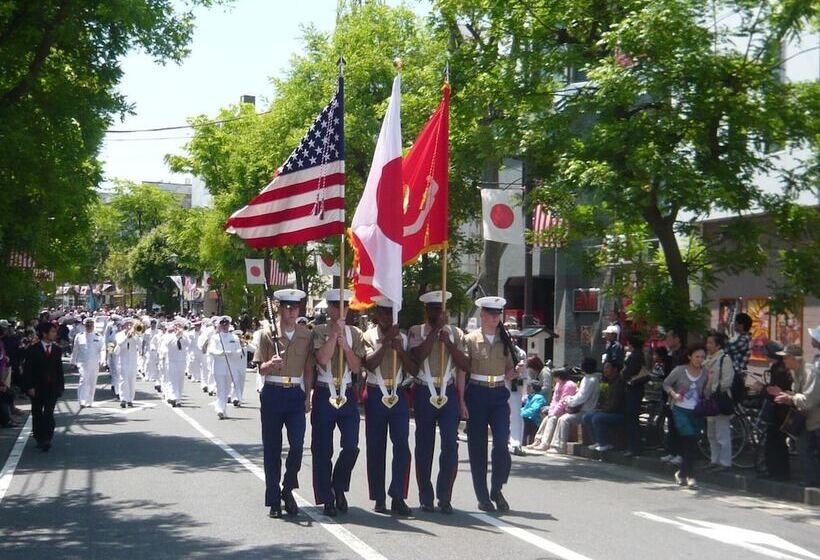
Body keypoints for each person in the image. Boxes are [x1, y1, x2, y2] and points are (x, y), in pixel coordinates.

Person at [254, 289, 314, 518]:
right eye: (287, 307)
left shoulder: (305, 335)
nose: (290, 312)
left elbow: (308, 369)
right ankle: (273, 500)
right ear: (279, 309)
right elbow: (260, 367)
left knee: (297, 446)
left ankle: (288, 489)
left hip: (295, 394)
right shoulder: (266, 334)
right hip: (272, 391)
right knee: (272, 448)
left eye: (294, 308)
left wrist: (308, 396)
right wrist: (270, 364)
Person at [458, 296, 521, 513]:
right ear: (483, 315)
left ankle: (496, 488)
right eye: (492, 313)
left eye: (498, 314)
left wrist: (516, 372)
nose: (496, 317)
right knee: (477, 448)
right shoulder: (470, 339)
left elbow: (509, 373)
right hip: (476, 392)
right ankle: (482, 496)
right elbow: (462, 370)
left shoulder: (505, 341)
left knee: (502, 444)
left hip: (498, 395)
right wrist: (461, 400)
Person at [408, 290, 464, 514]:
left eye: (440, 309)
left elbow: (465, 364)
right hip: (424, 390)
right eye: (433, 309)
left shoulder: (456, 333)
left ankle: (445, 495)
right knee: (424, 445)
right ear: (426, 311)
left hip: (448, 391)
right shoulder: (417, 331)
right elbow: (417, 357)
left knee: (451, 444)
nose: (437, 313)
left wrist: (449, 344)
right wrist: (433, 334)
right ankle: (425, 495)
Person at [311, 289, 366, 517]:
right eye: (336, 306)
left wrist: (345, 346)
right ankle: (327, 498)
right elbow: (322, 359)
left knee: (351, 445)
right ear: (330, 308)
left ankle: (339, 485)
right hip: (325, 391)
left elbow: (356, 367)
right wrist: (334, 337)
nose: (340, 310)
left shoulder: (356, 333)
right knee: (323, 449)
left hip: (346, 392)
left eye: (345, 305)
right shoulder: (319, 331)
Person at [362, 296, 416, 516]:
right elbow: (370, 364)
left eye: (392, 313)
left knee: (402, 446)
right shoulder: (368, 336)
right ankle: (379, 496)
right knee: (376, 447)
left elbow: (413, 369)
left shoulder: (403, 339)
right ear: (377, 314)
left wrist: (400, 350)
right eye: (384, 312)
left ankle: (398, 495)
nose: (387, 317)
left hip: (398, 393)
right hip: (376, 392)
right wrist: (385, 343)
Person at [768, 342, 819, 487]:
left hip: (816, 419)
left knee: (809, 450)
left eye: (786, 357)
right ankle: (811, 481)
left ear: (794, 358)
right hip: (806, 418)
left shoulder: (810, 372)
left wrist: (789, 397)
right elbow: (798, 396)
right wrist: (784, 394)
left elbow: (808, 399)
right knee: (803, 448)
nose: (783, 360)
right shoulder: (795, 372)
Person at [663, 344, 710, 488]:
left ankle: (682, 473)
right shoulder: (680, 370)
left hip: (696, 411)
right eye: (697, 356)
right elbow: (666, 384)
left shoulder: (705, 372)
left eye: (702, 357)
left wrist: (711, 380)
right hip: (680, 410)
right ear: (690, 356)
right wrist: (674, 394)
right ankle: (691, 476)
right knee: (689, 439)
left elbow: (706, 394)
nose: (699, 360)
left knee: (692, 443)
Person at [22, 322, 65, 451]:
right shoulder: (33, 349)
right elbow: (27, 370)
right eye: (52, 332)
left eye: (54, 332)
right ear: (44, 334)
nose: (54, 334)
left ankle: (47, 438)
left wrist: (61, 386)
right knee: (37, 412)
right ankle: (38, 436)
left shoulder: (57, 349)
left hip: (52, 386)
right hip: (37, 387)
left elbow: (59, 370)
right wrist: (29, 387)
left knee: (48, 413)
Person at [552, 358, 601, 454]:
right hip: (584, 410)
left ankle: (560, 446)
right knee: (563, 418)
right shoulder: (590, 378)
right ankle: (557, 444)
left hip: (586, 411)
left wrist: (569, 401)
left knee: (564, 419)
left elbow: (581, 397)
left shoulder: (590, 380)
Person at [525, 366, 577, 452]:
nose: (554, 379)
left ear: (560, 376)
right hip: (557, 409)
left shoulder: (569, 385)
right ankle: (538, 440)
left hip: (566, 410)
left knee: (552, 419)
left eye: (555, 376)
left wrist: (555, 412)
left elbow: (563, 401)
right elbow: (554, 400)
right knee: (546, 418)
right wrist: (551, 411)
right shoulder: (558, 384)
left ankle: (545, 443)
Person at [704, 331, 735, 472]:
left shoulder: (724, 359)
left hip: (719, 399)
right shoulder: (708, 359)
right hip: (709, 399)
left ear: (717, 345)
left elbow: (727, 380)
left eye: (710, 343)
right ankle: (714, 460)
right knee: (711, 433)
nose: (707, 345)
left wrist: (714, 389)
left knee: (722, 432)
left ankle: (725, 462)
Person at [761, 341, 791, 480]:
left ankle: (775, 471)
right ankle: (781, 472)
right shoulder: (782, 368)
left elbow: (774, 391)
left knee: (774, 441)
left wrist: (762, 389)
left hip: (778, 410)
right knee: (779, 442)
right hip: (783, 409)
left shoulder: (778, 370)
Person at [583, 361, 627, 452]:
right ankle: (597, 441)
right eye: (604, 368)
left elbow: (615, 404)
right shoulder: (611, 382)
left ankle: (605, 443)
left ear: (615, 369)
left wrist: (602, 410)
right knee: (587, 416)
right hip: (610, 411)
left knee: (597, 418)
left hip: (620, 413)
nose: (605, 370)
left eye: (607, 368)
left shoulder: (619, 383)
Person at [207, 317, 244, 420]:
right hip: (219, 366)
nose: (224, 326)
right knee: (220, 388)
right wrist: (221, 353)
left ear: (229, 325)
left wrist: (233, 353)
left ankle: (223, 409)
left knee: (227, 388)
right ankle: (219, 408)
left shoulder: (234, 337)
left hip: (231, 367)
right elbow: (211, 350)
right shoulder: (215, 338)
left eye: (226, 324)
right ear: (219, 325)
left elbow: (239, 351)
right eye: (222, 324)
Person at [660, 328, 687, 465]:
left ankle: (681, 454)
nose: (667, 340)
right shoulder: (670, 354)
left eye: (669, 337)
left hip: (679, 393)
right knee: (671, 423)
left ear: (677, 339)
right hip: (670, 392)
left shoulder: (683, 355)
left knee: (679, 424)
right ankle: (672, 451)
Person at [623, 333, 649, 456]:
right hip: (638, 388)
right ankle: (634, 446)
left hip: (633, 387)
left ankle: (633, 447)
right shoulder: (642, 355)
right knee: (634, 418)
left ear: (630, 344)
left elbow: (627, 373)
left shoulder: (634, 356)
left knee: (632, 418)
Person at [71, 317, 104, 408]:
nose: (89, 326)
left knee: (92, 382)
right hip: (82, 362)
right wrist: (73, 361)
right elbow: (75, 349)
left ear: (93, 326)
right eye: (87, 325)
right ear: (84, 326)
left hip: (94, 362)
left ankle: (89, 401)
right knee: (83, 379)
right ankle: (82, 400)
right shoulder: (79, 336)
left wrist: (102, 360)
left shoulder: (98, 336)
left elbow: (102, 349)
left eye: (91, 325)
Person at [114, 318, 141, 408]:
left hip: (133, 361)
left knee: (132, 380)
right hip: (122, 360)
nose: (129, 326)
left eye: (130, 324)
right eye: (127, 324)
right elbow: (120, 344)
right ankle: (123, 399)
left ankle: (130, 399)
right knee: (123, 380)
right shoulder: (119, 335)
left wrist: (134, 335)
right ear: (123, 326)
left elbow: (139, 344)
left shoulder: (135, 335)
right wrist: (127, 337)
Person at [163, 320, 188, 407]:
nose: (178, 327)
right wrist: (176, 336)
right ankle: (173, 397)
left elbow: (188, 344)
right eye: (176, 326)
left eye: (179, 325)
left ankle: (178, 399)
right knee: (172, 379)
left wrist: (182, 335)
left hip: (182, 361)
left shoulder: (185, 336)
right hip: (171, 361)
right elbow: (167, 344)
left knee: (180, 380)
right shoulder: (169, 336)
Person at [725, 312, 753, 378]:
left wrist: (721, 336)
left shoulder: (744, 339)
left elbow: (727, 349)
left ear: (741, 325)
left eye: (736, 323)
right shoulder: (742, 337)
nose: (734, 325)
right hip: (736, 372)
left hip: (737, 373)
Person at [520, 381, 546, 445]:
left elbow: (533, 410)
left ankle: (522, 442)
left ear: (533, 388)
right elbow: (525, 408)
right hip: (528, 420)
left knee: (523, 419)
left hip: (535, 422)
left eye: (529, 387)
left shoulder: (539, 398)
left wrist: (520, 414)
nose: (527, 388)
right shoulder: (529, 397)